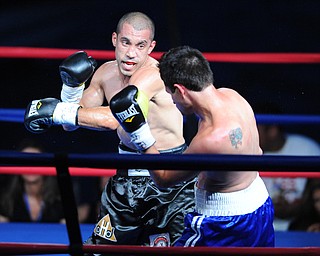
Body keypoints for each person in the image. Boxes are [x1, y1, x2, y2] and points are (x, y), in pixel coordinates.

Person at [24, 12, 195, 246]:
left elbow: (117, 119)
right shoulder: (105, 73)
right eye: (126, 42)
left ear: (151, 47)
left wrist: (56, 111)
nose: (131, 53)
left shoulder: (154, 75)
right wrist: (71, 90)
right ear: (115, 39)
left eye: (140, 45)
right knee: (101, 250)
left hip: (167, 181)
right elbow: (71, 124)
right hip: (124, 180)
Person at [109, 45, 275, 247]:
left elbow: (163, 178)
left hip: (223, 222)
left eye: (170, 94)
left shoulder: (211, 139)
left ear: (180, 90)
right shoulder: (233, 96)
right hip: (260, 205)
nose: (172, 100)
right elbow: (257, 152)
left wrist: (140, 133)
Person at [256, 102, 320, 231]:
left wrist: (302, 206)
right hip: (259, 227)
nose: (251, 132)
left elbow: (317, 192)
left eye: (256, 127)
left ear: (272, 130)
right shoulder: (248, 152)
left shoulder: (306, 148)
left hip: (301, 227)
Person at [0, 138, 65, 223]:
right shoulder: (6, 198)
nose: (30, 167)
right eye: (25, 162)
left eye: (36, 162)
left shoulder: (59, 198)